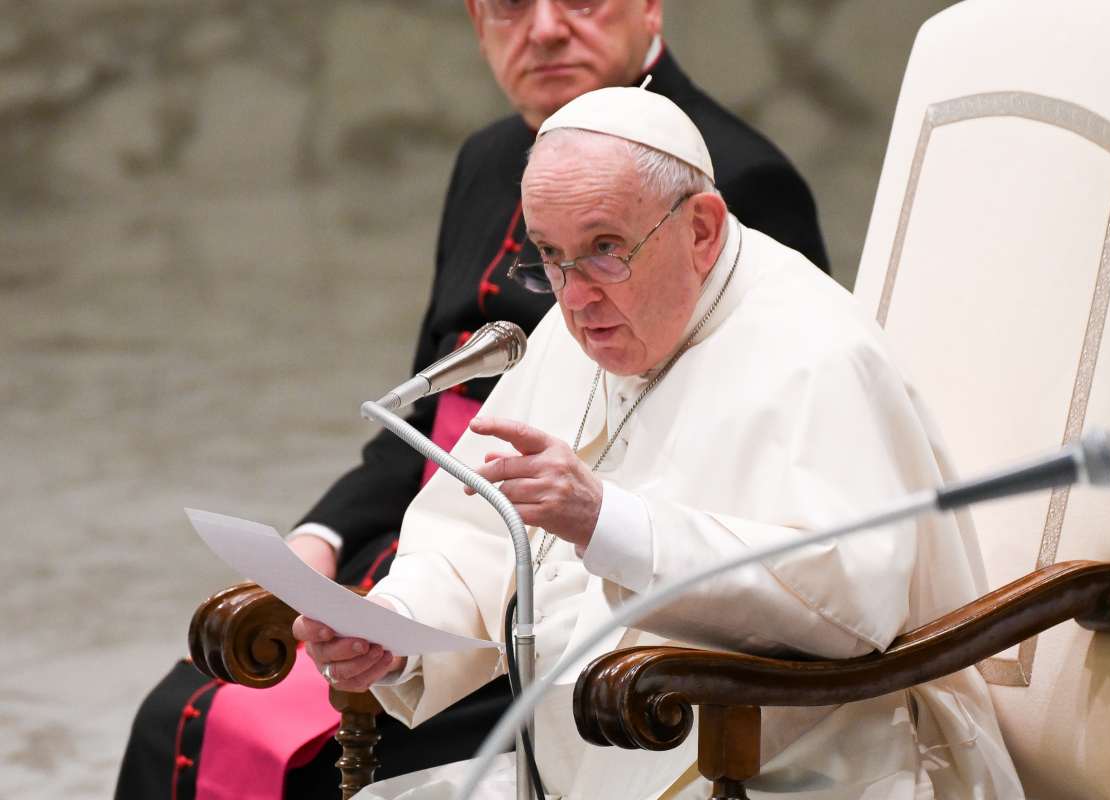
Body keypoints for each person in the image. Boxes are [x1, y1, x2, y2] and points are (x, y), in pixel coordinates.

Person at [115, 2, 829, 799]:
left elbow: (740, 464)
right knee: (177, 715)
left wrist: (588, 532)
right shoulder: (488, 158)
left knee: (303, 757)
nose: (547, 28)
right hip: (451, 527)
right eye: (512, 5)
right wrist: (322, 536)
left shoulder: (734, 177)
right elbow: (427, 421)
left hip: (588, 596)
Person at [297, 88, 1024, 799]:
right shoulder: (578, 325)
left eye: (606, 249)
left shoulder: (817, 352)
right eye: (550, 256)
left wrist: (607, 521)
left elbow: (848, 603)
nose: (574, 297)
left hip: (795, 765)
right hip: (587, 765)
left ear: (702, 230)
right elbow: (482, 538)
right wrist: (397, 626)